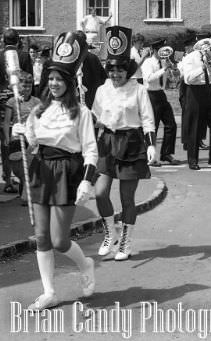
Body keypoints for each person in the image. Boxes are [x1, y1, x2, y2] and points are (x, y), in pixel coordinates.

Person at [10, 31, 97, 310]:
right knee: (42, 237)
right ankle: (49, 292)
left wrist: (86, 182)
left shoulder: (81, 112)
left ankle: (86, 265)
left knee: (60, 241)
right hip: (41, 169)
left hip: (67, 172)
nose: (54, 83)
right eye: (51, 78)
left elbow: (90, 150)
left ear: (69, 83)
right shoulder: (38, 111)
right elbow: (35, 145)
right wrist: (22, 131)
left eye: (60, 79)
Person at [92, 26, 156, 261]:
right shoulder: (101, 90)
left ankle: (126, 241)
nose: (115, 74)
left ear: (127, 70)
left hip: (131, 143)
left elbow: (148, 119)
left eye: (120, 70)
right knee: (100, 193)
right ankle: (111, 233)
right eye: (111, 70)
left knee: (127, 199)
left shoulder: (138, 90)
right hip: (107, 143)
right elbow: (97, 120)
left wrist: (151, 145)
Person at [178, 33, 211, 170]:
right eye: (203, 44)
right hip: (194, 93)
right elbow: (188, 78)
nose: (206, 47)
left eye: (208, 44)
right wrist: (202, 68)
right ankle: (193, 159)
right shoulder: (190, 58)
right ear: (197, 43)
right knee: (194, 128)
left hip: (209, 91)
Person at [0, 28, 33, 177]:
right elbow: (29, 80)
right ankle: (23, 173)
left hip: (2, 100)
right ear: (18, 40)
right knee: (24, 133)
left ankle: (7, 175)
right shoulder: (24, 56)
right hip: (21, 100)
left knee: (5, 135)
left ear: (3, 41)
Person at [141, 39, 182, 166]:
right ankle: (150, 157)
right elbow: (148, 78)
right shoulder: (148, 62)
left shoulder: (164, 62)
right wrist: (163, 70)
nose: (162, 52)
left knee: (171, 124)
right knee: (153, 127)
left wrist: (173, 69)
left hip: (161, 94)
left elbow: (172, 78)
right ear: (153, 50)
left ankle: (166, 153)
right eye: (159, 50)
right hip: (150, 95)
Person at [1, 72, 37, 194]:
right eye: (24, 86)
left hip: (31, 138)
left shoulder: (36, 102)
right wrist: (6, 136)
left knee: (30, 166)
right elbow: (6, 121)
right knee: (18, 167)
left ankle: (25, 194)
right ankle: (23, 184)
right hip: (17, 137)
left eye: (29, 86)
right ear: (18, 86)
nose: (27, 89)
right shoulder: (12, 102)